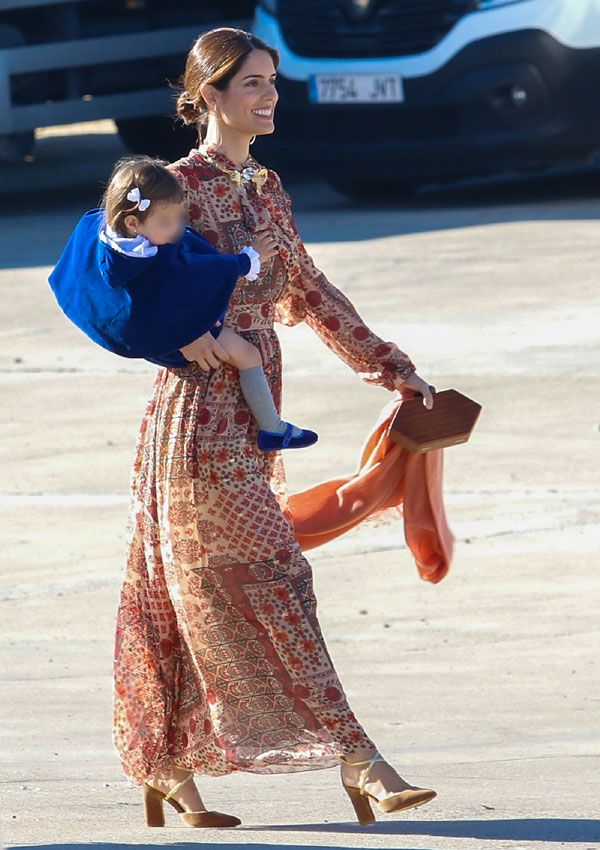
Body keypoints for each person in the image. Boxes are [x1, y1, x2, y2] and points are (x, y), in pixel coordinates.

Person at [111, 26, 437, 830]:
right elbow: (127, 282)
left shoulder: (267, 186)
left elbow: (312, 290)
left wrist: (391, 366)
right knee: (276, 579)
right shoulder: (175, 185)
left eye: (273, 82)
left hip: (251, 421)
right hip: (197, 417)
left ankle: (165, 769)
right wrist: (197, 320)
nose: (270, 96)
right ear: (209, 97)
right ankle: (362, 760)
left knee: (196, 596)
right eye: (252, 84)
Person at [48, 155, 317, 451]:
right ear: (132, 222)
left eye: (180, 217)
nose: (176, 227)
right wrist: (248, 258)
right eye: (166, 221)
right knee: (249, 355)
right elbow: (198, 274)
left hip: (142, 331)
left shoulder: (101, 231)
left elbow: (80, 263)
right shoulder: (157, 263)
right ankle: (273, 429)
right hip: (168, 334)